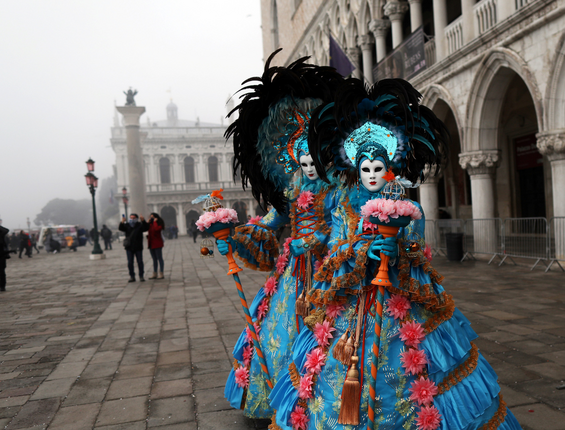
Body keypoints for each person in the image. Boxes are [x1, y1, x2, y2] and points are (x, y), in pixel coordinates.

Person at [264, 78, 521, 429]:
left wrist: (398, 249)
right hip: (351, 306)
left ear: (390, 166)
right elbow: (336, 249)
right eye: (364, 168)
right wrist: (360, 252)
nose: (371, 174)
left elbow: (418, 249)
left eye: (377, 167)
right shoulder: (341, 204)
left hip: (400, 300)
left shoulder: (405, 204)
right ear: (355, 168)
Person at [220, 52, 344, 421]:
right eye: (302, 163)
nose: (308, 169)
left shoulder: (334, 188)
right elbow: (272, 222)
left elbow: (343, 225)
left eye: (313, 163)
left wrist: (323, 242)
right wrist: (232, 232)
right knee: (278, 325)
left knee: (327, 331)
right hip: (293, 271)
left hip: (327, 268)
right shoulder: (291, 190)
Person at [119, 213, 149, 282]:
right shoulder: (127, 225)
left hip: (138, 246)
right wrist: (122, 222)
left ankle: (141, 275)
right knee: (130, 262)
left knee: (140, 262)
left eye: (133, 218)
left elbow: (146, 228)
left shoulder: (139, 225)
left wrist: (143, 221)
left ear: (136, 218)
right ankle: (132, 276)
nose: (132, 219)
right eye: (131, 218)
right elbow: (121, 228)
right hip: (129, 247)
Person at [147, 213, 165, 279]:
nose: (151, 218)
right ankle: (154, 273)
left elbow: (156, 229)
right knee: (154, 259)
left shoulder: (159, 224)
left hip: (157, 244)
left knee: (159, 258)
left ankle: (161, 273)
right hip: (151, 244)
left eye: (153, 217)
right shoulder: (150, 224)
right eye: (150, 217)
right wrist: (147, 222)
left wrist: (154, 222)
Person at [0, 224, 9, 291]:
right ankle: (2, 286)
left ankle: (2, 286)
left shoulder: (1, 235)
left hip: (1, 254)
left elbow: (6, 230)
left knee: (1, 271)